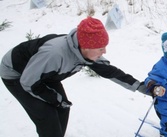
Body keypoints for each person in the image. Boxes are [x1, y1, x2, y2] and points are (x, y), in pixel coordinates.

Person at [0, 16, 146, 137]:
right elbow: (29, 82)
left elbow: (111, 72)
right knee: (47, 117)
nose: (105, 51)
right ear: (86, 47)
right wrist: (55, 99)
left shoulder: (85, 52)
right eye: (101, 48)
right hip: (17, 75)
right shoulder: (55, 54)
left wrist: (141, 87)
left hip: (44, 74)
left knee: (63, 108)